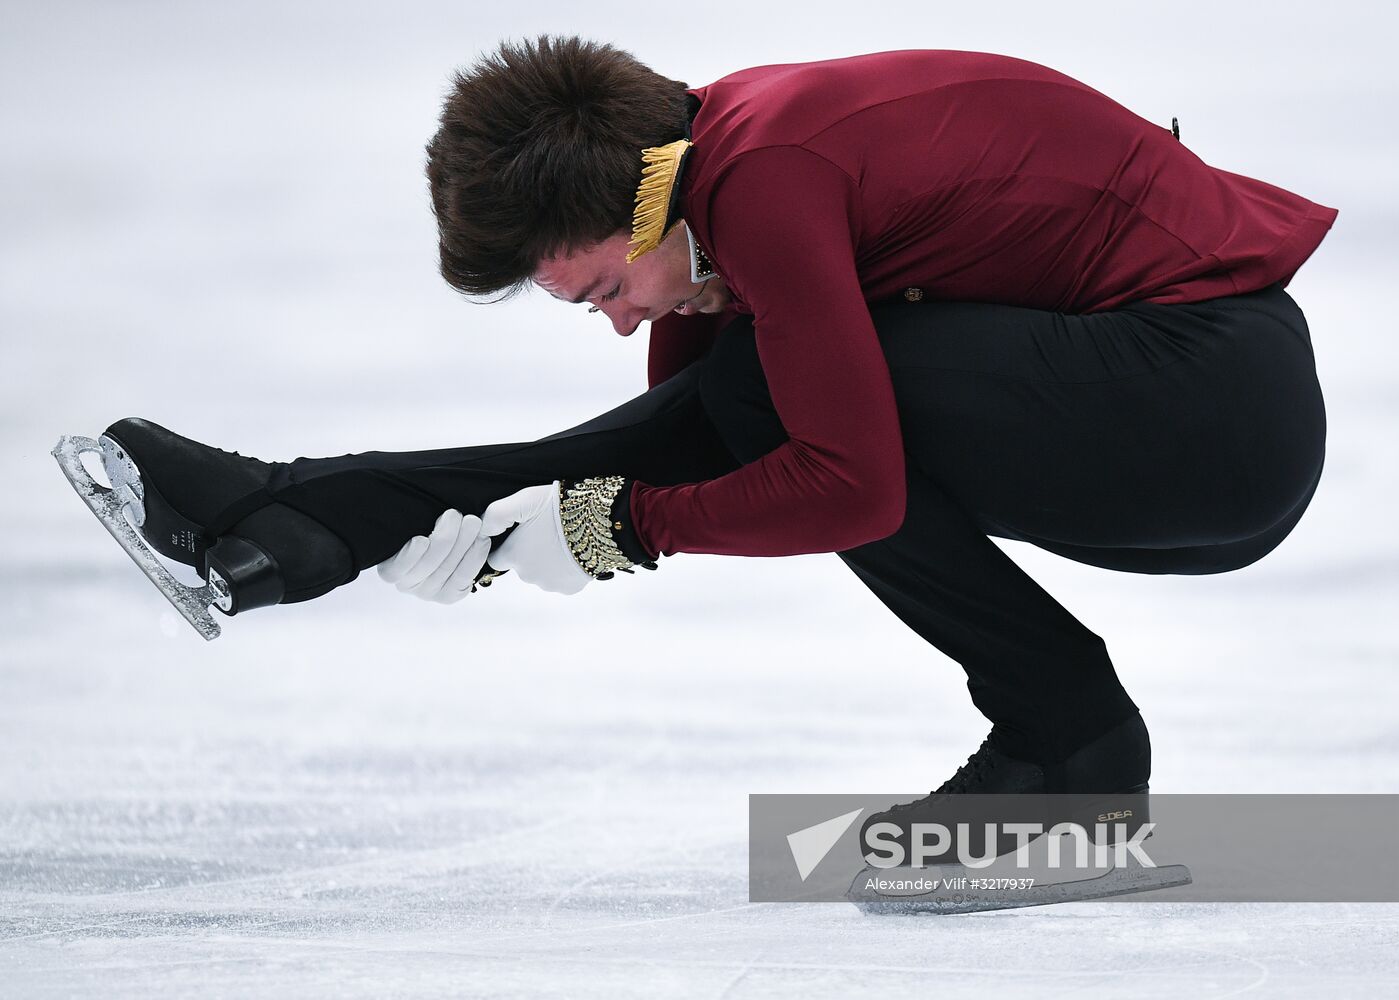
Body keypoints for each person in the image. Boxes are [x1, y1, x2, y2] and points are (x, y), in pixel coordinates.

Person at [98, 37, 1333, 829]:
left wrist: (607, 527)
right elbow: (669, 429)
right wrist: (451, 526)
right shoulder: (708, 163)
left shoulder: (763, 176)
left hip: (1209, 410)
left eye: (597, 291)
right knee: (745, 397)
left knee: (773, 405)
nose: (614, 317)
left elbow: (839, 481)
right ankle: (309, 517)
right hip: (1189, 409)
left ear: (634, 206)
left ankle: (1070, 738)